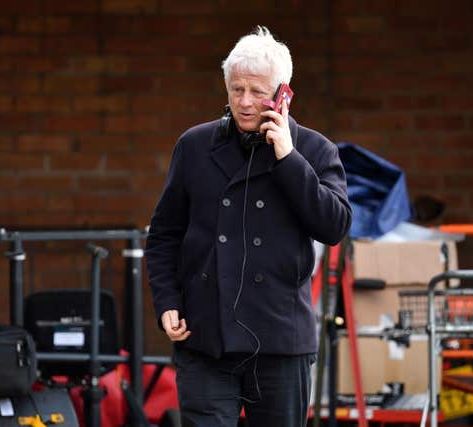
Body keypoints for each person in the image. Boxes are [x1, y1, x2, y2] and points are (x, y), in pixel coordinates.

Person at [145, 26, 351, 427]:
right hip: (205, 337)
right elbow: (164, 234)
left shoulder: (314, 149)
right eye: (236, 89)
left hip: (280, 339)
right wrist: (167, 302)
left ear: (282, 94)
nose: (244, 102)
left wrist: (289, 160)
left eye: (257, 92)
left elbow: (334, 226)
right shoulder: (194, 145)